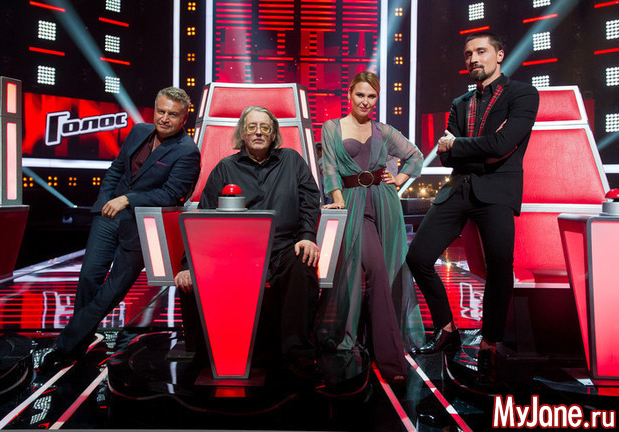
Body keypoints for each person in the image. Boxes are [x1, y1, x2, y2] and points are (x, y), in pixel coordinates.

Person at [406, 31, 539, 383]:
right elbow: (448, 155)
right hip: (458, 188)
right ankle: (447, 328)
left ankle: (489, 344)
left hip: (497, 191)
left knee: (499, 266)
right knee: (417, 257)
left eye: (481, 51)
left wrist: (460, 144)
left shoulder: (523, 94)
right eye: (468, 54)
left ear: (499, 55)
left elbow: (502, 145)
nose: (473, 59)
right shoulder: (460, 102)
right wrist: (471, 147)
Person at [40, 87, 201, 371]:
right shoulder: (139, 131)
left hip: (142, 226)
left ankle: (66, 345)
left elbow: (172, 195)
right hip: (109, 216)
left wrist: (127, 200)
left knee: (113, 290)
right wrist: (104, 202)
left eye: (172, 114)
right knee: (89, 278)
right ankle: (75, 343)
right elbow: (116, 170)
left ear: (184, 118)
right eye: (161, 111)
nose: (164, 118)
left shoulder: (187, 151)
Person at [174, 106, 321, 374]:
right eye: (252, 127)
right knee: (200, 276)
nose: (258, 132)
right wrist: (188, 265)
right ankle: (214, 354)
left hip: (283, 248)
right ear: (242, 132)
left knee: (302, 264)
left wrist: (307, 236)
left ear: (274, 133)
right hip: (236, 253)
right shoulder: (225, 168)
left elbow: (310, 201)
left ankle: (296, 355)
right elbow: (204, 218)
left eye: (265, 127)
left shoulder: (292, 160)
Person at [316, 71, 425, 382]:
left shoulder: (383, 130)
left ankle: (378, 343)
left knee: (386, 273)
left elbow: (415, 156)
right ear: (350, 94)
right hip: (352, 204)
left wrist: (399, 179)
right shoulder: (332, 127)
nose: (365, 101)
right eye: (360, 94)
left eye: (372, 96)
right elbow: (330, 167)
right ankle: (386, 356)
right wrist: (338, 200)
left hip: (384, 203)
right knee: (367, 271)